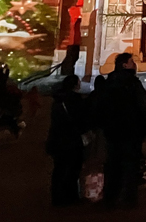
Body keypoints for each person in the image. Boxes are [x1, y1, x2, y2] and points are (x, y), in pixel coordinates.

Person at [99, 53, 146, 208]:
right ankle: (129, 198)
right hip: (131, 131)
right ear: (125, 65)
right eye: (131, 62)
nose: (134, 64)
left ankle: (110, 197)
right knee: (130, 165)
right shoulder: (132, 83)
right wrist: (145, 128)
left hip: (113, 131)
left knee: (113, 164)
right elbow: (142, 107)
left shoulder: (109, 82)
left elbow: (101, 106)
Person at [45, 75, 86, 207]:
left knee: (59, 169)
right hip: (72, 140)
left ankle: (57, 197)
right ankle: (71, 196)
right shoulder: (75, 100)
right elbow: (81, 120)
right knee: (73, 169)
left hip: (57, 139)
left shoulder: (58, 100)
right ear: (75, 85)